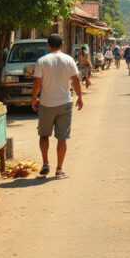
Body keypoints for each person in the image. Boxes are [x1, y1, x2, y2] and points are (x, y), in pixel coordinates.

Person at [31, 34, 83, 179]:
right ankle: (59, 170)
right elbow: (75, 79)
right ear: (63, 45)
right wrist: (80, 96)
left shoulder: (42, 61)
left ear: (48, 46)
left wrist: (34, 98)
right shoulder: (69, 60)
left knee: (43, 135)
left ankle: (45, 163)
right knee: (62, 137)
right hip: (64, 103)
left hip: (46, 103)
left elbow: (37, 83)